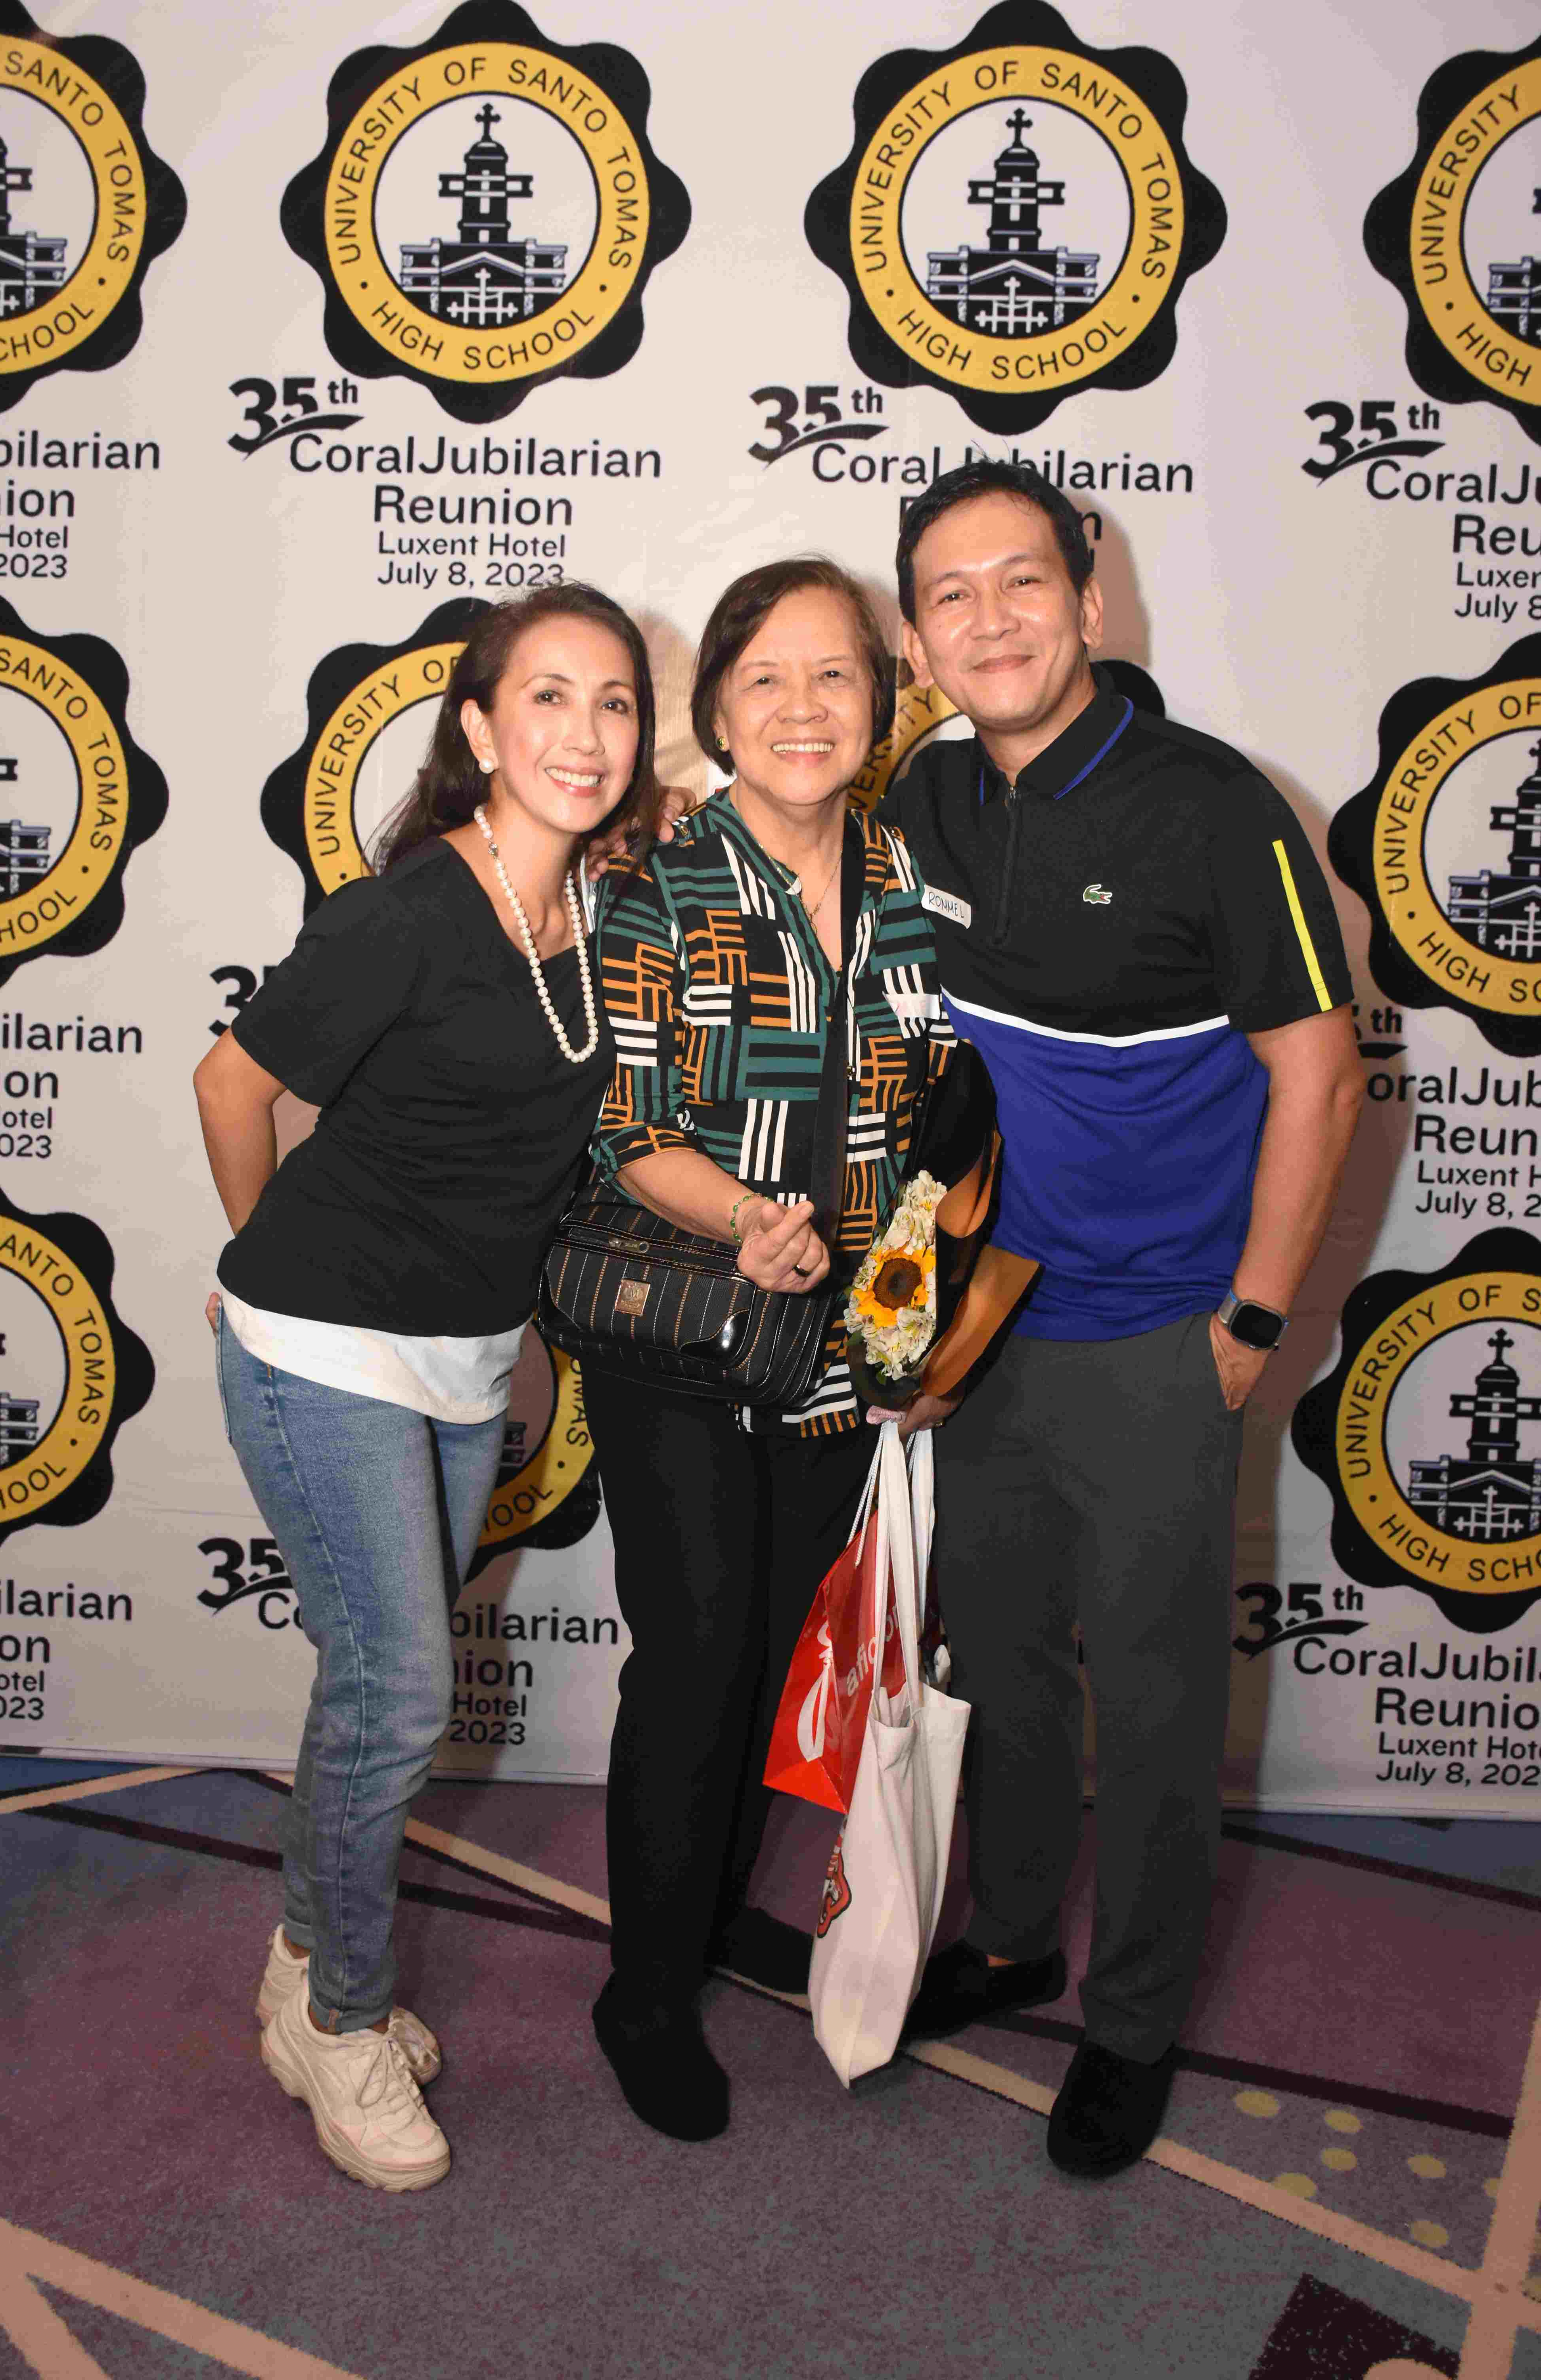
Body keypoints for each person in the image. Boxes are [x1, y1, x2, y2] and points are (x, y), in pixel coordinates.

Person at [877, 459, 1364, 2176]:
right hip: (984, 1332)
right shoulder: (927, 796)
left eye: (1024, 580)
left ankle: (1135, 2022)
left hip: (1161, 1338)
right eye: (950, 595)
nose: (991, 619)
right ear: (917, 642)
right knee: (999, 1666)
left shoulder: (1215, 804)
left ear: (1090, 600)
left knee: (1154, 1713)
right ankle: (1012, 1941)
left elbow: (1319, 1073)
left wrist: (1251, 1321)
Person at [194, 584, 653, 2192]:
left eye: (614, 702)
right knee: (398, 1693)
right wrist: (263, 1259)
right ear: (479, 729)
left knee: (371, 1687)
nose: (584, 732)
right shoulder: (407, 913)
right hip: (323, 1345)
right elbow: (232, 1082)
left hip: (465, 1360)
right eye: (549, 697)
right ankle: (343, 2018)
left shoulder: (595, 911)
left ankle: (301, 1962)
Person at [583, 557, 952, 2142]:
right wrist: (743, 1216)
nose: (804, 709)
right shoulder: (662, 882)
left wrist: (918, 1312)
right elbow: (627, 1125)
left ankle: (710, 1910)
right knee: (694, 1657)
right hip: (685, 1335)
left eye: (835, 676)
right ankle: (642, 1994)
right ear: (719, 711)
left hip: (845, 1354)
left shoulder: (916, 878)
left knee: (776, 1649)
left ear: (880, 701)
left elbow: (950, 1108)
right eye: (766, 680)